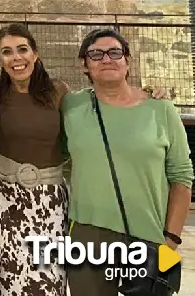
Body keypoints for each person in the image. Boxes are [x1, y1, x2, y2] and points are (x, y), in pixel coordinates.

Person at [63, 28, 193, 295]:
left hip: (150, 234)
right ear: (84, 65)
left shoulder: (161, 109)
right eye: (96, 54)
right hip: (90, 235)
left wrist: (171, 239)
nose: (106, 59)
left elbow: (181, 175)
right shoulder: (71, 106)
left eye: (115, 52)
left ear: (128, 60)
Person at [0, 23, 69, 296]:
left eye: (22, 49)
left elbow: (98, 109)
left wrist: (147, 95)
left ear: (35, 54)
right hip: (3, 202)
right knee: (6, 281)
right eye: (7, 52)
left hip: (49, 204)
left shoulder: (59, 91)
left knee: (48, 282)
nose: (16, 58)